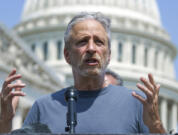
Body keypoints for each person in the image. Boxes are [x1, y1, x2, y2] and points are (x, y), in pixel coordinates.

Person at [0, 12, 165, 134]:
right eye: (82, 41)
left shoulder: (135, 104)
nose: (92, 48)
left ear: (109, 55)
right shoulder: (43, 107)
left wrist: (156, 126)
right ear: (67, 55)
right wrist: (4, 121)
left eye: (99, 42)